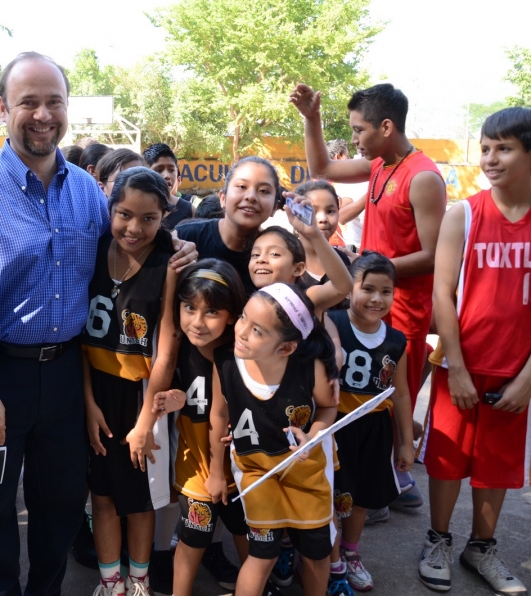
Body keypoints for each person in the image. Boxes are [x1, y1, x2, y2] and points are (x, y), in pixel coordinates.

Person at [0, 51, 195, 596]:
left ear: (66, 109)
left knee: (59, 506)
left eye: (53, 102)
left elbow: (129, 247)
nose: (42, 114)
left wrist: (178, 248)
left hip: (65, 377)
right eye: (28, 101)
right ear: (5, 107)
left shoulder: (87, 191)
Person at [290, 83, 446, 508]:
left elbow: (433, 255)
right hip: (367, 308)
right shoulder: (380, 165)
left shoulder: (424, 177)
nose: (355, 138)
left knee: (393, 398)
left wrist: (371, 271)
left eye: (359, 130)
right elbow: (321, 166)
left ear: (387, 126)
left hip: (404, 313)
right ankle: (367, 481)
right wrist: (311, 120)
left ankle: (396, 479)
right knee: (359, 394)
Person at [418, 107, 531, 595]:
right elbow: (442, 294)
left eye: (504, 148)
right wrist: (458, 369)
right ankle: (438, 540)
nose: (490, 158)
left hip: (516, 371)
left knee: (496, 466)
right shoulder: (463, 213)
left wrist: (529, 377)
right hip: (459, 366)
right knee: (446, 459)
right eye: (485, 148)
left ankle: (479, 547)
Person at [82, 167, 177, 596]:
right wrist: (87, 404)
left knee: (138, 499)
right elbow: (77, 339)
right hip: (95, 391)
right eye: (124, 214)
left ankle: (138, 581)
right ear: (110, 209)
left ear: (163, 217)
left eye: (148, 218)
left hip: (142, 396)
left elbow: (168, 347)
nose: (134, 227)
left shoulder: (167, 262)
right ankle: (111, 582)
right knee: (101, 496)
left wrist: (145, 422)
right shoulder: (94, 248)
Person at [211, 283, 338, 596]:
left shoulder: (311, 368)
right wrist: (216, 470)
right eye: (243, 318)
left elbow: (328, 404)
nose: (241, 331)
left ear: (286, 348)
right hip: (256, 471)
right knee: (261, 554)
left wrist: (313, 434)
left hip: (305, 472)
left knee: (316, 555)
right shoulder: (226, 363)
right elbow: (217, 414)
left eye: (257, 330)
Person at [149, 260, 250, 596]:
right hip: (197, 469)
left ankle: (256, 587)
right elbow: (182, 393)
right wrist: (176, 396)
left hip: (240, 471)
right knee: (193, 536)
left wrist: (222, 473)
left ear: (233, 315)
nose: (197, 321)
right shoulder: (177, 351)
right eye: (189, 307)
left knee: (247, 534)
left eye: (211, 312)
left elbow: (224, 416)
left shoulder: (238, 356)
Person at [325, 252, 413, 595]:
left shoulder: (396, 339)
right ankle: (329, 562)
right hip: (335, 427)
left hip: (374, 429)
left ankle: (351, 553)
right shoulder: (332, 323)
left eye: (386, 291)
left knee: (359, 499)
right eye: (368, 288)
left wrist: (405, 441)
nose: (377, 298)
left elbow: (401, 394)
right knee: (331, 497)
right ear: (349, 289)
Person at [176, 156, 283, 295]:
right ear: (223, 198)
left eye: (264, 191)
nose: (251, 197)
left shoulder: (277, 257)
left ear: (275, 206)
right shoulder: (185, 238)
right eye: (241, 186)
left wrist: (310, 234)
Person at [292, 181, 355, 307]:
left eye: (330, 211)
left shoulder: (347, 262)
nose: (323, 219)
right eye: (313, 211)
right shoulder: (286, 261)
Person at [142, 143, 195, 230]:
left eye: (171, 170)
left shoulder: (189, 210)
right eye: (159, 170)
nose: (167, 175)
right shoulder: (136, 206)